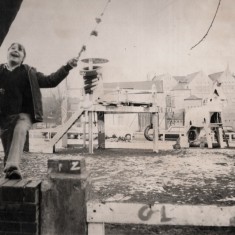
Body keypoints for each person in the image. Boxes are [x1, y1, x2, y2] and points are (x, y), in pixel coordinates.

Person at [0, 42, 78, 179]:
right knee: (8, 148)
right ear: (7, 53)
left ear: (23, 58)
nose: (16, 50)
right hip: (4, 117)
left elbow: (50, 81)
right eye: (12, 48)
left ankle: (12, 167)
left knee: (19, 130)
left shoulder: (29, 72)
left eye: (20, 50)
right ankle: (9, 170)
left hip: (23, 115)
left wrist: (67, 67)